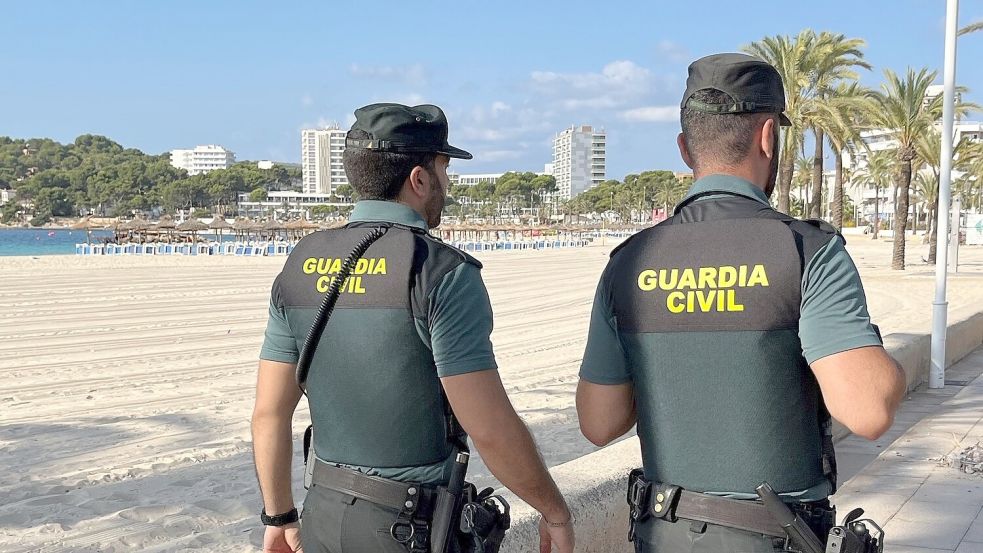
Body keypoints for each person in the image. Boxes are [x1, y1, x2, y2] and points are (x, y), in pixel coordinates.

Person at [575, 53, 907, 553]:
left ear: (686, 149)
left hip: (663, 534)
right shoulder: (805, 251)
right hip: (776, 536)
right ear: (768, 136)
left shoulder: (628, 262)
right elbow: (868, 410)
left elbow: (598, 424)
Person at [252, 103, 574, 553]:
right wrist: (554, 512)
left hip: (322, 514)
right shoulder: (440, 271)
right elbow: (490, 428)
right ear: (419, 179)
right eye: (444, 168)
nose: (448, 183)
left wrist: (279, 515)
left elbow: (269, 413)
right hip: (408, 529)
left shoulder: (299, 265)